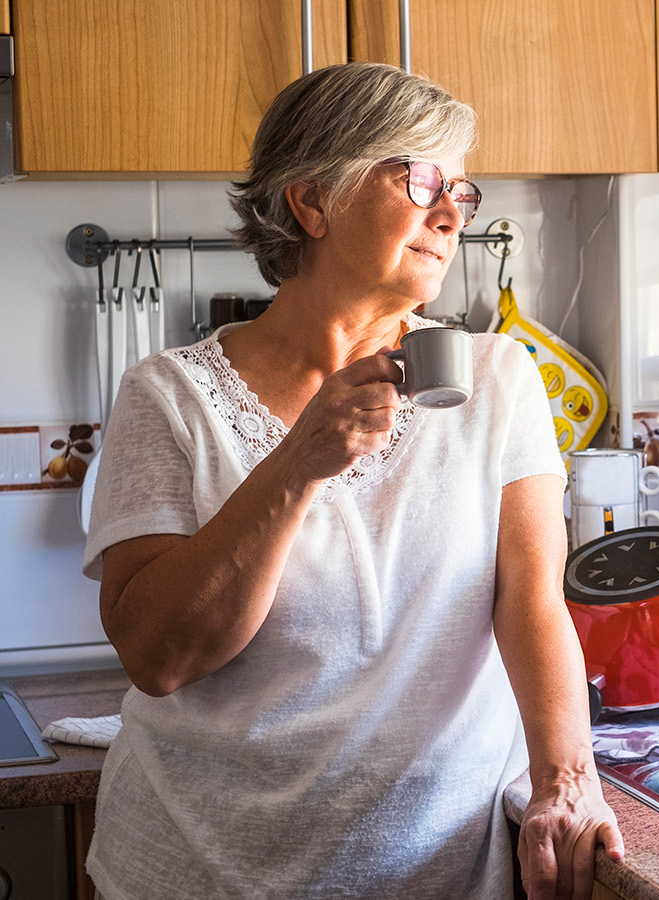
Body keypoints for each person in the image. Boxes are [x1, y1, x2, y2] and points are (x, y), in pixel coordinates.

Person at [81, 62, 622, 900]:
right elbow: (160, 657)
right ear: (313, 200)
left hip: (434, 875)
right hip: (193, 872)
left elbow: (533, 603)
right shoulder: (170, 395)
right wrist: (301, 461)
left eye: (462, 191)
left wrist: (566, 778)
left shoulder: (497, 375)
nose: (451, 213)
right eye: (422, 180)